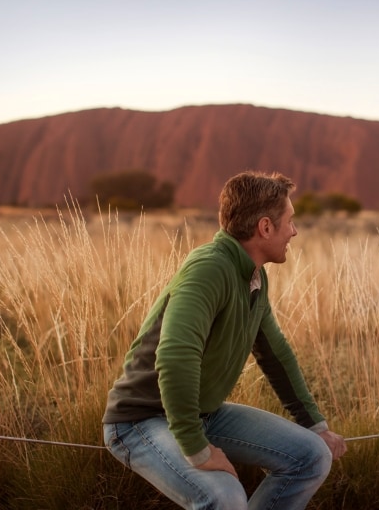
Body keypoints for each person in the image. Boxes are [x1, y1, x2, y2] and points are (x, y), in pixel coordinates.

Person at [102, 171, 347, 510]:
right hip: (140, 419)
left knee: (312, 455)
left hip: (204, 414)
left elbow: (276, 354)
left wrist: (315, 426)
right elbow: (175, 356)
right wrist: (196, 448)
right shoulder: (209, 268)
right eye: (289, 221)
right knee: (224, 496)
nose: (294, 231)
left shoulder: (253, 276)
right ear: (264, 227)